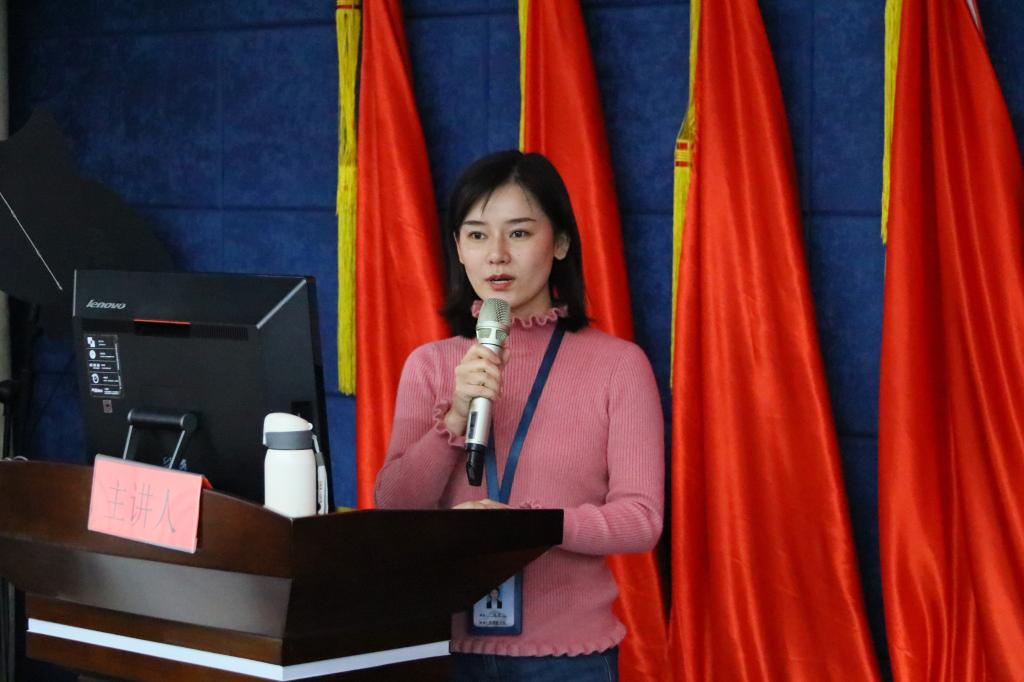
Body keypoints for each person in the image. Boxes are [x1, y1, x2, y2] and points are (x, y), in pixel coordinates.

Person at [375, 150, 664, 682]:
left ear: (561, 243)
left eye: (520, 233)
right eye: (477, 235)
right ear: (458, 249)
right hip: (438, 650)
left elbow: (641, 519)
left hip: (567, 663)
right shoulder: (431, 365)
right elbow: (394, 506)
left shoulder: (619, 366)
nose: (497, 256)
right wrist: (454, 418)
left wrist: (528, 526)